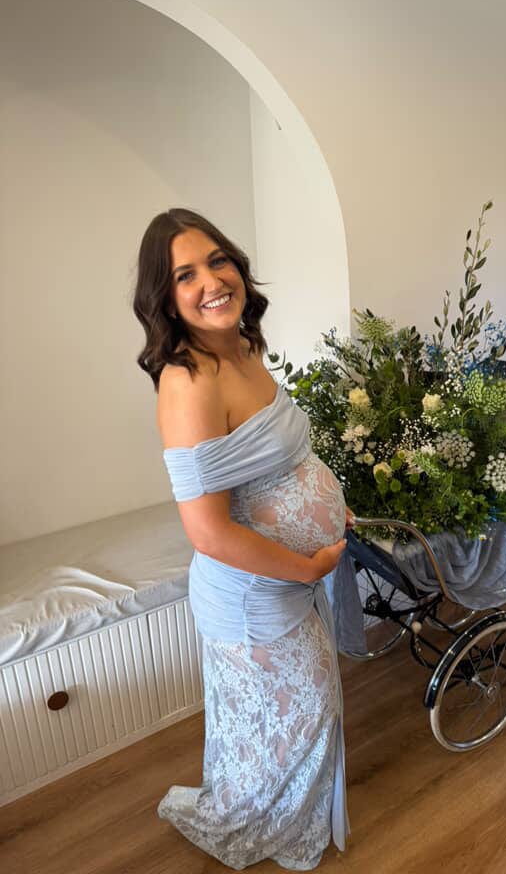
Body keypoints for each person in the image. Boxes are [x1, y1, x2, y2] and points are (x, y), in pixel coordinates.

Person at [132, 208, 354, 870]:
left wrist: (324, 508)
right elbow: (207, 531)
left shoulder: (244, 346)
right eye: (185, 275)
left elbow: (278, 462)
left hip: (284, 576)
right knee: (301, 716)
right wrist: (307, 566)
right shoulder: (188, 379)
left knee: (283, 720)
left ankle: (284, 820)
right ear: (165, 298)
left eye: (217, 261)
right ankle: (266, 828)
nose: (211, 282)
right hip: (253, 593)